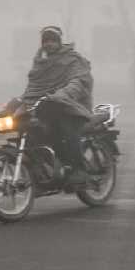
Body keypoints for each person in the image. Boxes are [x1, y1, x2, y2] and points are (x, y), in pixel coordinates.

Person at [22, 26, 94, 185]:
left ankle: (78, 169)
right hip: (48, 107)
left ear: (59, 42)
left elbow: (80, 81)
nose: (48, 44)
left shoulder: (73, 59)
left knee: (66, 129)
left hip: (72, 106)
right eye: (45, 41)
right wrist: (21, 102)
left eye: (52, 40)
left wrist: (64, 94)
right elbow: (34, 86)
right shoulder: (40, 63)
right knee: (30, 129)